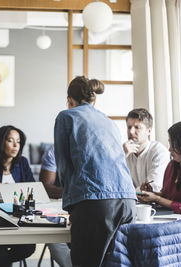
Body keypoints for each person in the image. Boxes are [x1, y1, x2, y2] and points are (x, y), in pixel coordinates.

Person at [54, 76, 137, 267]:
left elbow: (64, 166)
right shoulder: (108, 121)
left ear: (69, 100)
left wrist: (71, 205)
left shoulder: (66, 117)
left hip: (96, 203)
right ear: (94, 100)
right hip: (127, 201)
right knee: (115, 263)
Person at [0, 125, 36, 267]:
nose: (15, 145)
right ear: (0, 142)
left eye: (18, 141)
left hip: (19, 220)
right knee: (0, 253)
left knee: (29, 247)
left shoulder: (22, 163)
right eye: (10, 140)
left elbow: (32, 189)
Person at [138, 121, 181, 217]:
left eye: (174, 145)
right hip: (173, 217)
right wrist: (152, 194)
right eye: (170, 143)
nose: (169, 149)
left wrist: (157, 199)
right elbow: (169, 197)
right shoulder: (172, 166)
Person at [39, 145, 72, 267]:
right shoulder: (54, 151)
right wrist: (72, 191)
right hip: (58, 208)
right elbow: (45, 186)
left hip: (85, 210)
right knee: (55, 239)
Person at [122, 108, 170, 192]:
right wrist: (122, 156)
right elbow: (114, 183)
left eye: (137, 127)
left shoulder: (159, 152)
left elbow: (152, 187)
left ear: (149, 131)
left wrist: (128, 192)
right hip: (133, 202)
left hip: (156, 203)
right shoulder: (124, 152)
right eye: (129, 127)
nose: (131, 131)